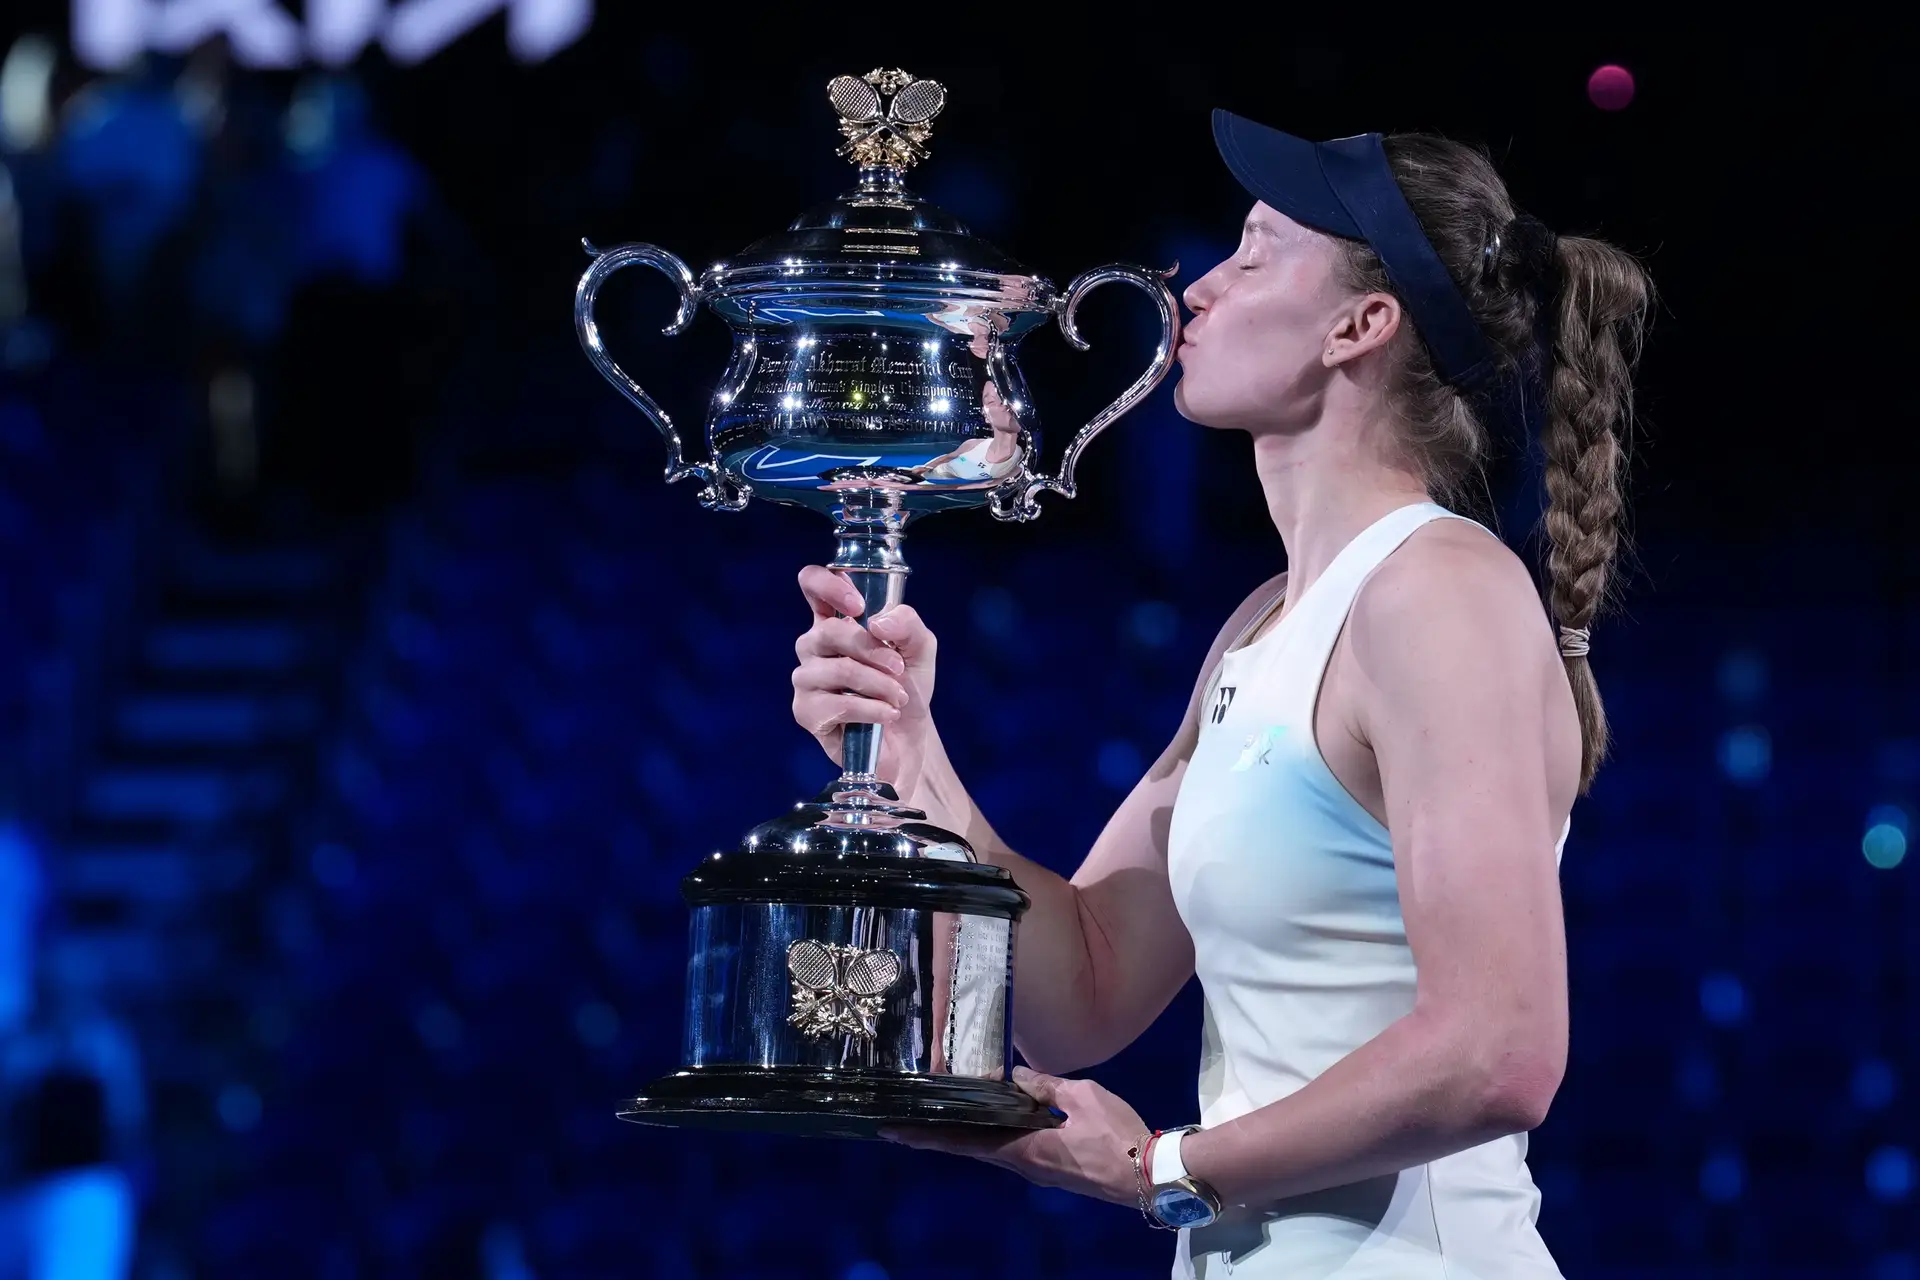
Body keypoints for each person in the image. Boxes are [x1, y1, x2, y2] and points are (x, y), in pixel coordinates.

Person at [788, 108, 1651, 1278]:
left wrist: (1162, 1169)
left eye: (1254, 251)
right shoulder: (1262, 626)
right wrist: (914, 758)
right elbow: (1085, 985)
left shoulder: (1440, 592)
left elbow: (1502, 1048)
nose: (1198, 289)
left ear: (1361, 324)